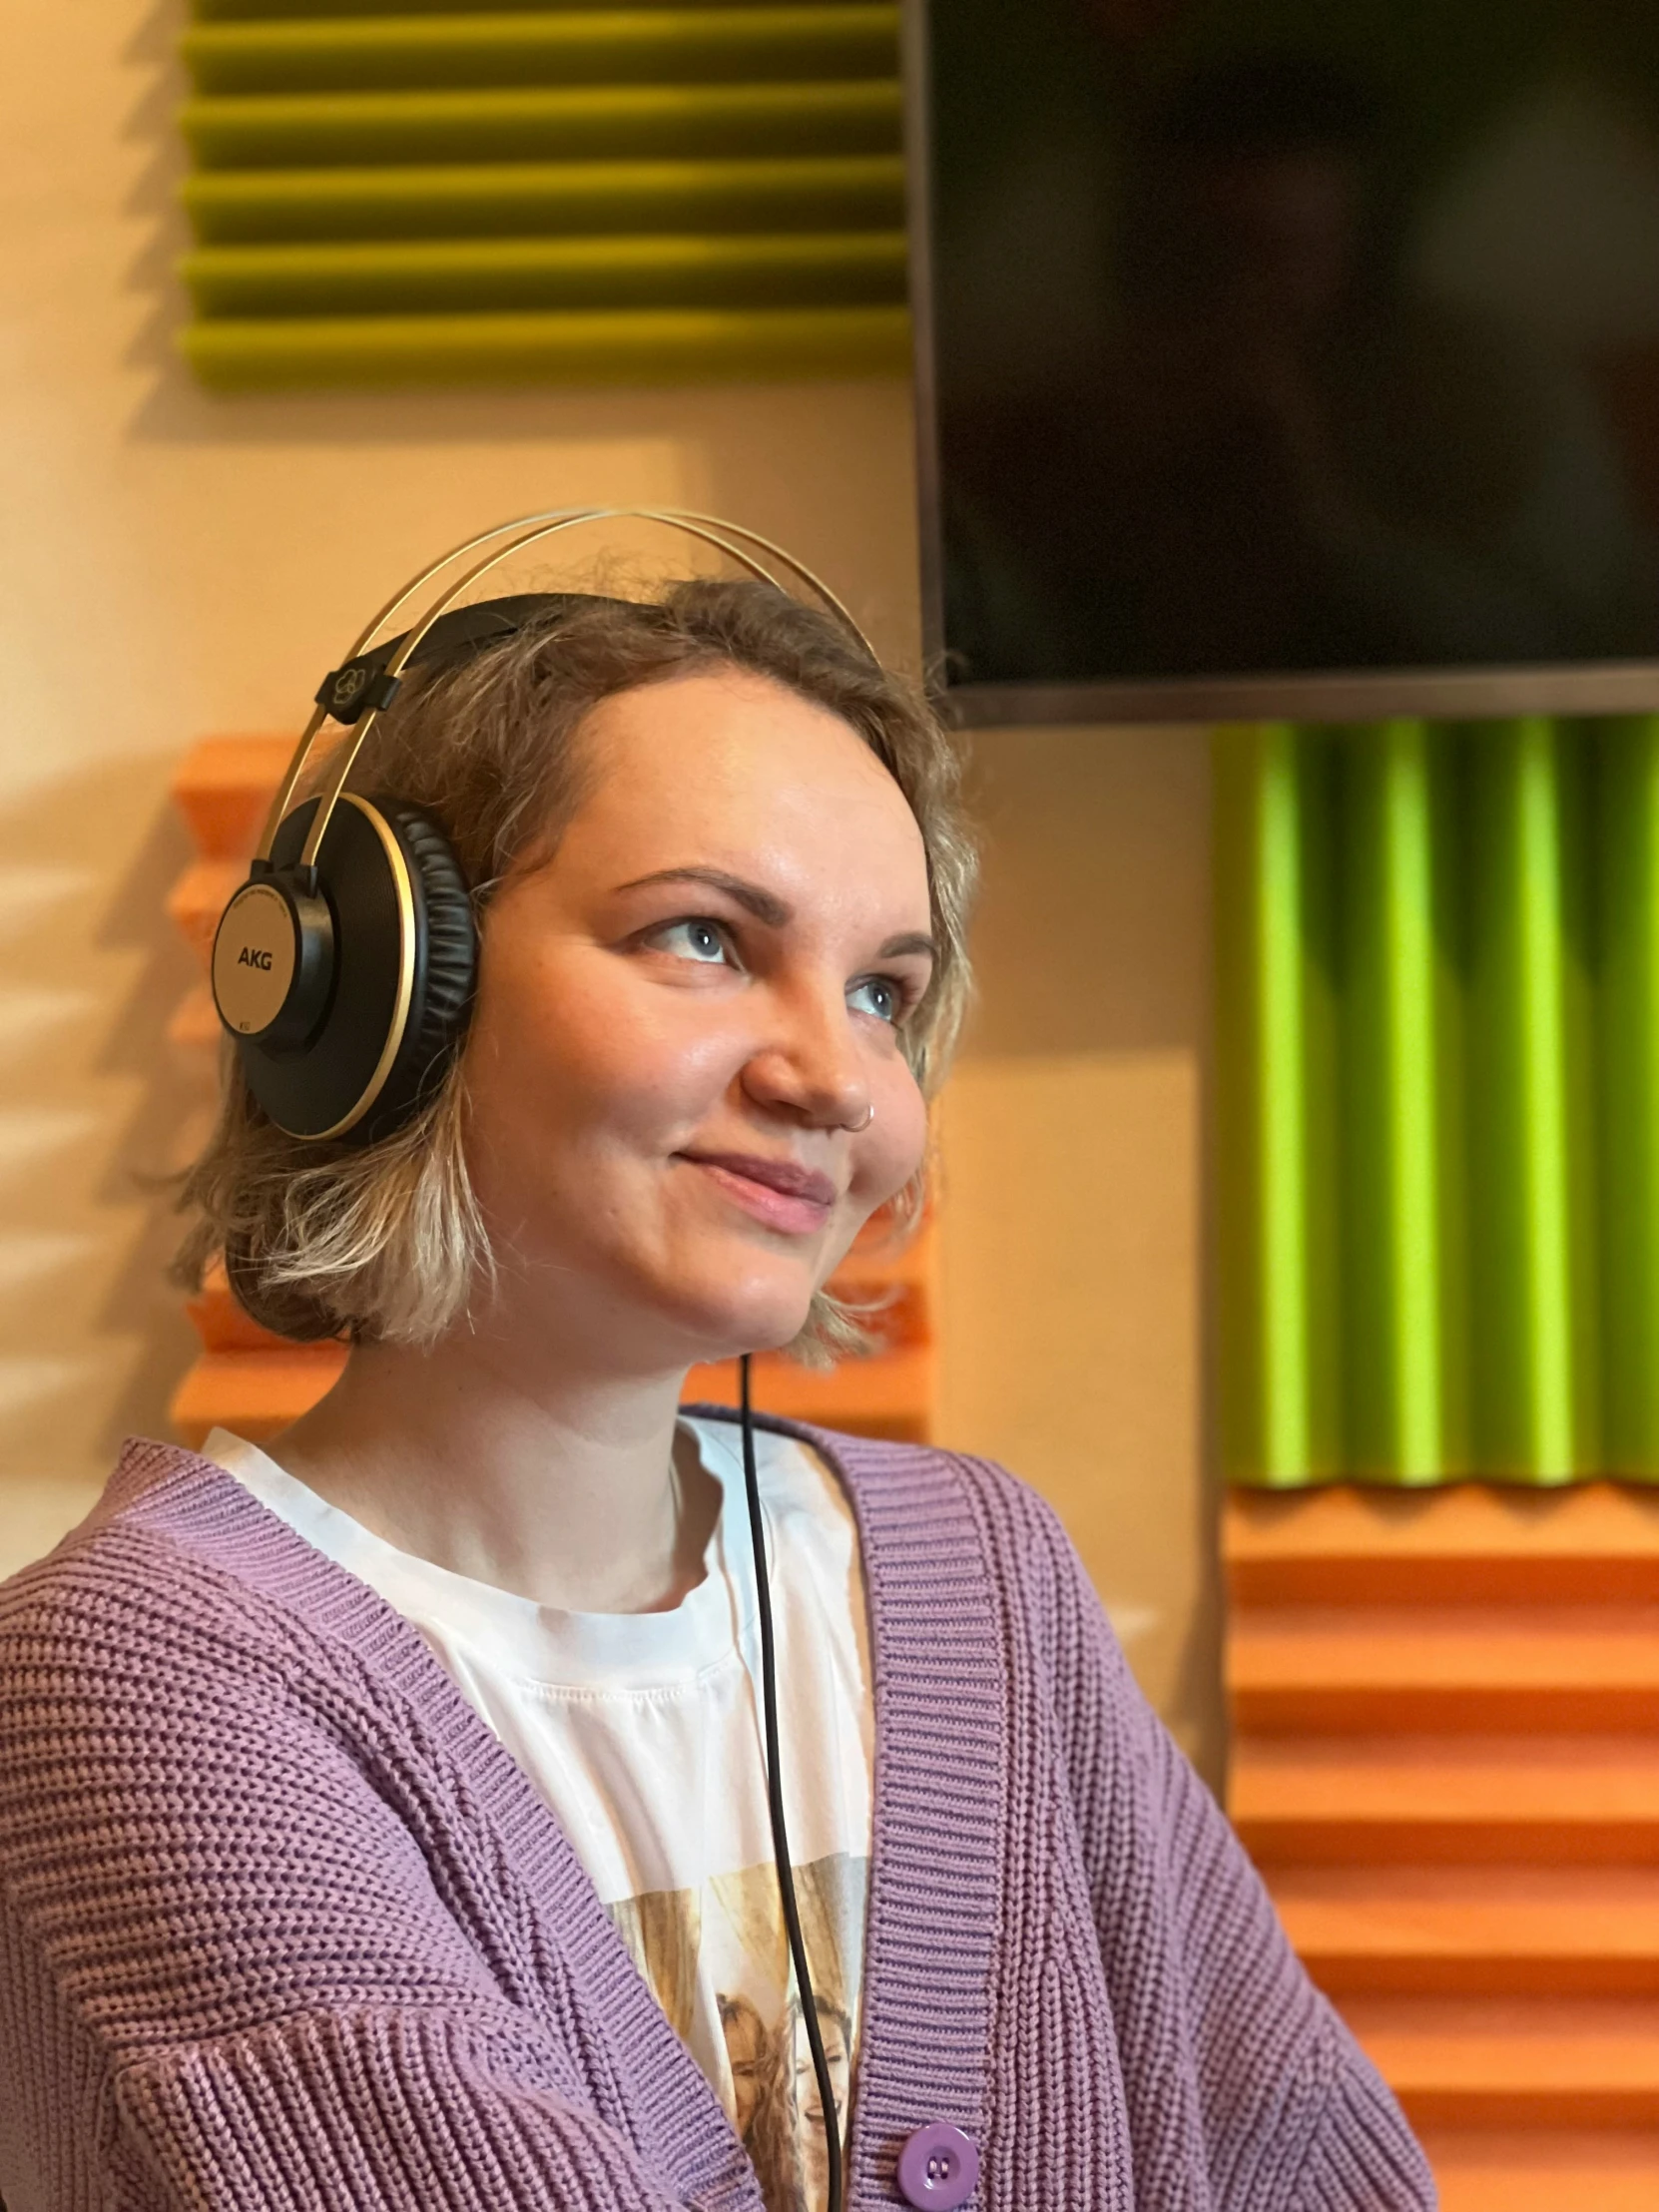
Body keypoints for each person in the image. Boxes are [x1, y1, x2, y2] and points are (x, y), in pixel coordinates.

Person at [0, 560, 1433, 2210]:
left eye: (883, 990)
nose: (834, 1077)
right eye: (703, 937)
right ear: (390, 995)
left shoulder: (984, 1573)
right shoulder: (139, 1681)